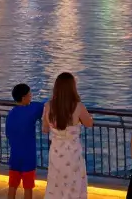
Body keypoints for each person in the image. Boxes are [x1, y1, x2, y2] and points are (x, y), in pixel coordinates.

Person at [43, 71, 94, 199]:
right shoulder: (78, 107)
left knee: (56, 184)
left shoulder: (48, 106)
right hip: (72, 155)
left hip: (55, 153)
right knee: (74, 185)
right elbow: (89, 123)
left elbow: (45, 129)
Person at [6, 83, 45, 199]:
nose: (31, 97)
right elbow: (46, 106)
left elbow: (8, 134)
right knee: (28, 187)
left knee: (12, 186)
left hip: (15, 155)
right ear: (23, 98)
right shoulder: (31, 110)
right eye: (29, 95)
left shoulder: (11, 114)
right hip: (28, 156)